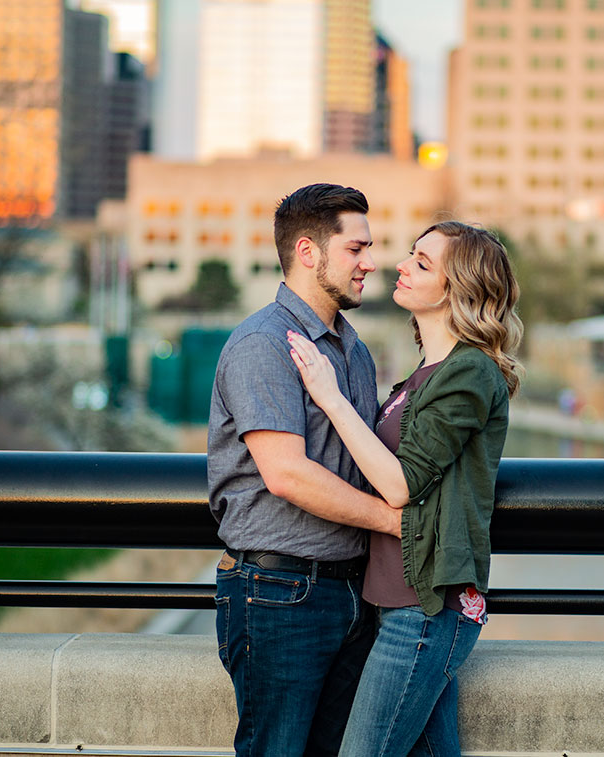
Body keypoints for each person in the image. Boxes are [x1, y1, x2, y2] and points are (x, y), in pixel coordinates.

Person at [287, 220, 522, 756]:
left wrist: (329, 395)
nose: (400, 265)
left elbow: (398, 484)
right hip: (395, 603)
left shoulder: (470, 374)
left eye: (422, 262)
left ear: (458, 288)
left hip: (427, 609)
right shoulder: (426, 374)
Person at [207, 183, 403, 757]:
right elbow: (286, 474)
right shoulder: (262, 344)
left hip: (351, 592)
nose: (371, 262)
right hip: (278, 593)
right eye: (356, 249)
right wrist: (397, 523)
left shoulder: (354, 350)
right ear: (308, 251)